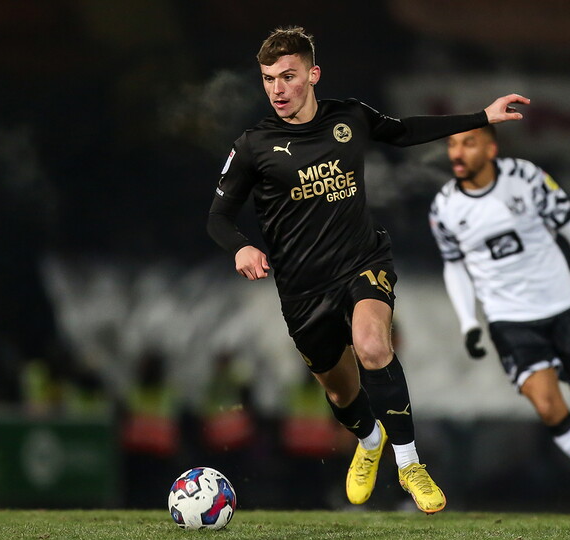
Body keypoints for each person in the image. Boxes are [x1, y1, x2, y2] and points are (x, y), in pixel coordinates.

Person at [206, 26, 528, 513]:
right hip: (301, 290)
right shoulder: (254, 145)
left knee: (374, 345)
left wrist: (482, 116)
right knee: (341, 392)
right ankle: (371, 440)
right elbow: (218, 216)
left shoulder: (349, 117)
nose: (276, 89)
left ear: (313, 75)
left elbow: (405, 132)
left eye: (288, 76)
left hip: (362, 262)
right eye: (269, 78)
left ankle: (410, 465)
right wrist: (240, 248)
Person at [428, 126, 570, 516]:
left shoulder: (525, 178)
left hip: (562, 309)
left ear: (491, 149)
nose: (458, 151)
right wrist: (468, 322)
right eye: (452, 143)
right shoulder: (444, 207)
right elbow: (454, 265)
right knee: (547, 406)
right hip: (509, 320)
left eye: (469, 142)